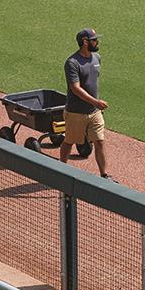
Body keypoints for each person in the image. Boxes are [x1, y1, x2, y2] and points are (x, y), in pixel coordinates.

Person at [62, 27, 113, 181]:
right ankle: (60, 169)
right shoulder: (72, 63)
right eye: (94, 39)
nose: (97, 42)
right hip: (76, 112)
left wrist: (95, 105)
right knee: (69, 141)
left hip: (94, 112)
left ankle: (104, 175)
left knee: (100, 141)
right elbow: (75, 89)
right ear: (85, 42)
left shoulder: (97, 57)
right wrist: (96, 101)